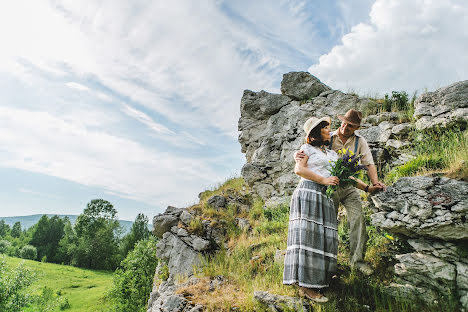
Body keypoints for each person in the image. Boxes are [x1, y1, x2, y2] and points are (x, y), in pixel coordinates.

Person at [283, 116, 380, 303]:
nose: (330, 131)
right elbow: (299, 170)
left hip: (323, 196)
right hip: (309, 194)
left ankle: (318, 280)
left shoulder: (332, 154)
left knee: (322, 240)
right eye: (326, 128)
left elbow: (347, 177)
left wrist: (367, 188)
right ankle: (306, 287)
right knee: (309, 238)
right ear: (316, 132)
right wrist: (323, 180)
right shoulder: (306, 149)